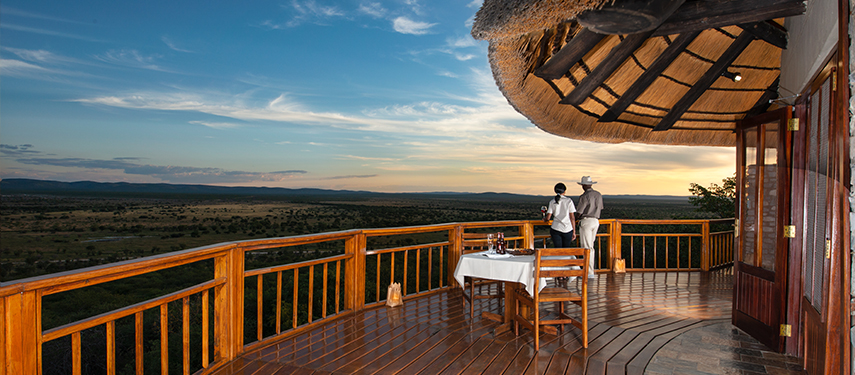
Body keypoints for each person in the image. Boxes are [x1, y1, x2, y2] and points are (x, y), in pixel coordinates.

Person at [576, 176, 603, 278]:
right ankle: (590, 271)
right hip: (596, 221)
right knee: (591, 247)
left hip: (586, 221)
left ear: (583, 185)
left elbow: (579, 212)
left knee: (586, 247)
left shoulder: (584, 196)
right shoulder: (598, 195)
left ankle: (588, 272)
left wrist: (575, 220)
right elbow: (600, 208)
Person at [544, 182, 576, 247]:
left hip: (556, 228)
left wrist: (545, 219)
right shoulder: (569, 201)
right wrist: (574, 231)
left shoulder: (552, 201)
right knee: (566, 250)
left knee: (557, 250)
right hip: (567, 229)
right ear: (564, 191)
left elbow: (548, 217)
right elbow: (572, 217)